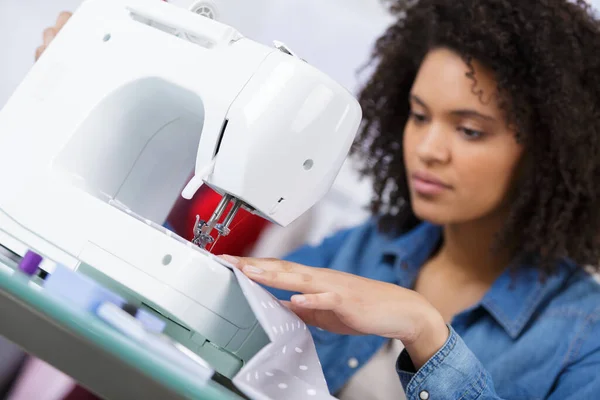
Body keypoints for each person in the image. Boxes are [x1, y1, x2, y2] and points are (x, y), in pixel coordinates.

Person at [219, 1, 600, 399]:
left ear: (548, 153)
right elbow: (233, 333)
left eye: (469, 130)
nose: (428, 149)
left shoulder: (586, 338)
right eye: (419, 117)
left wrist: (426, 332)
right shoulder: (366, 248)